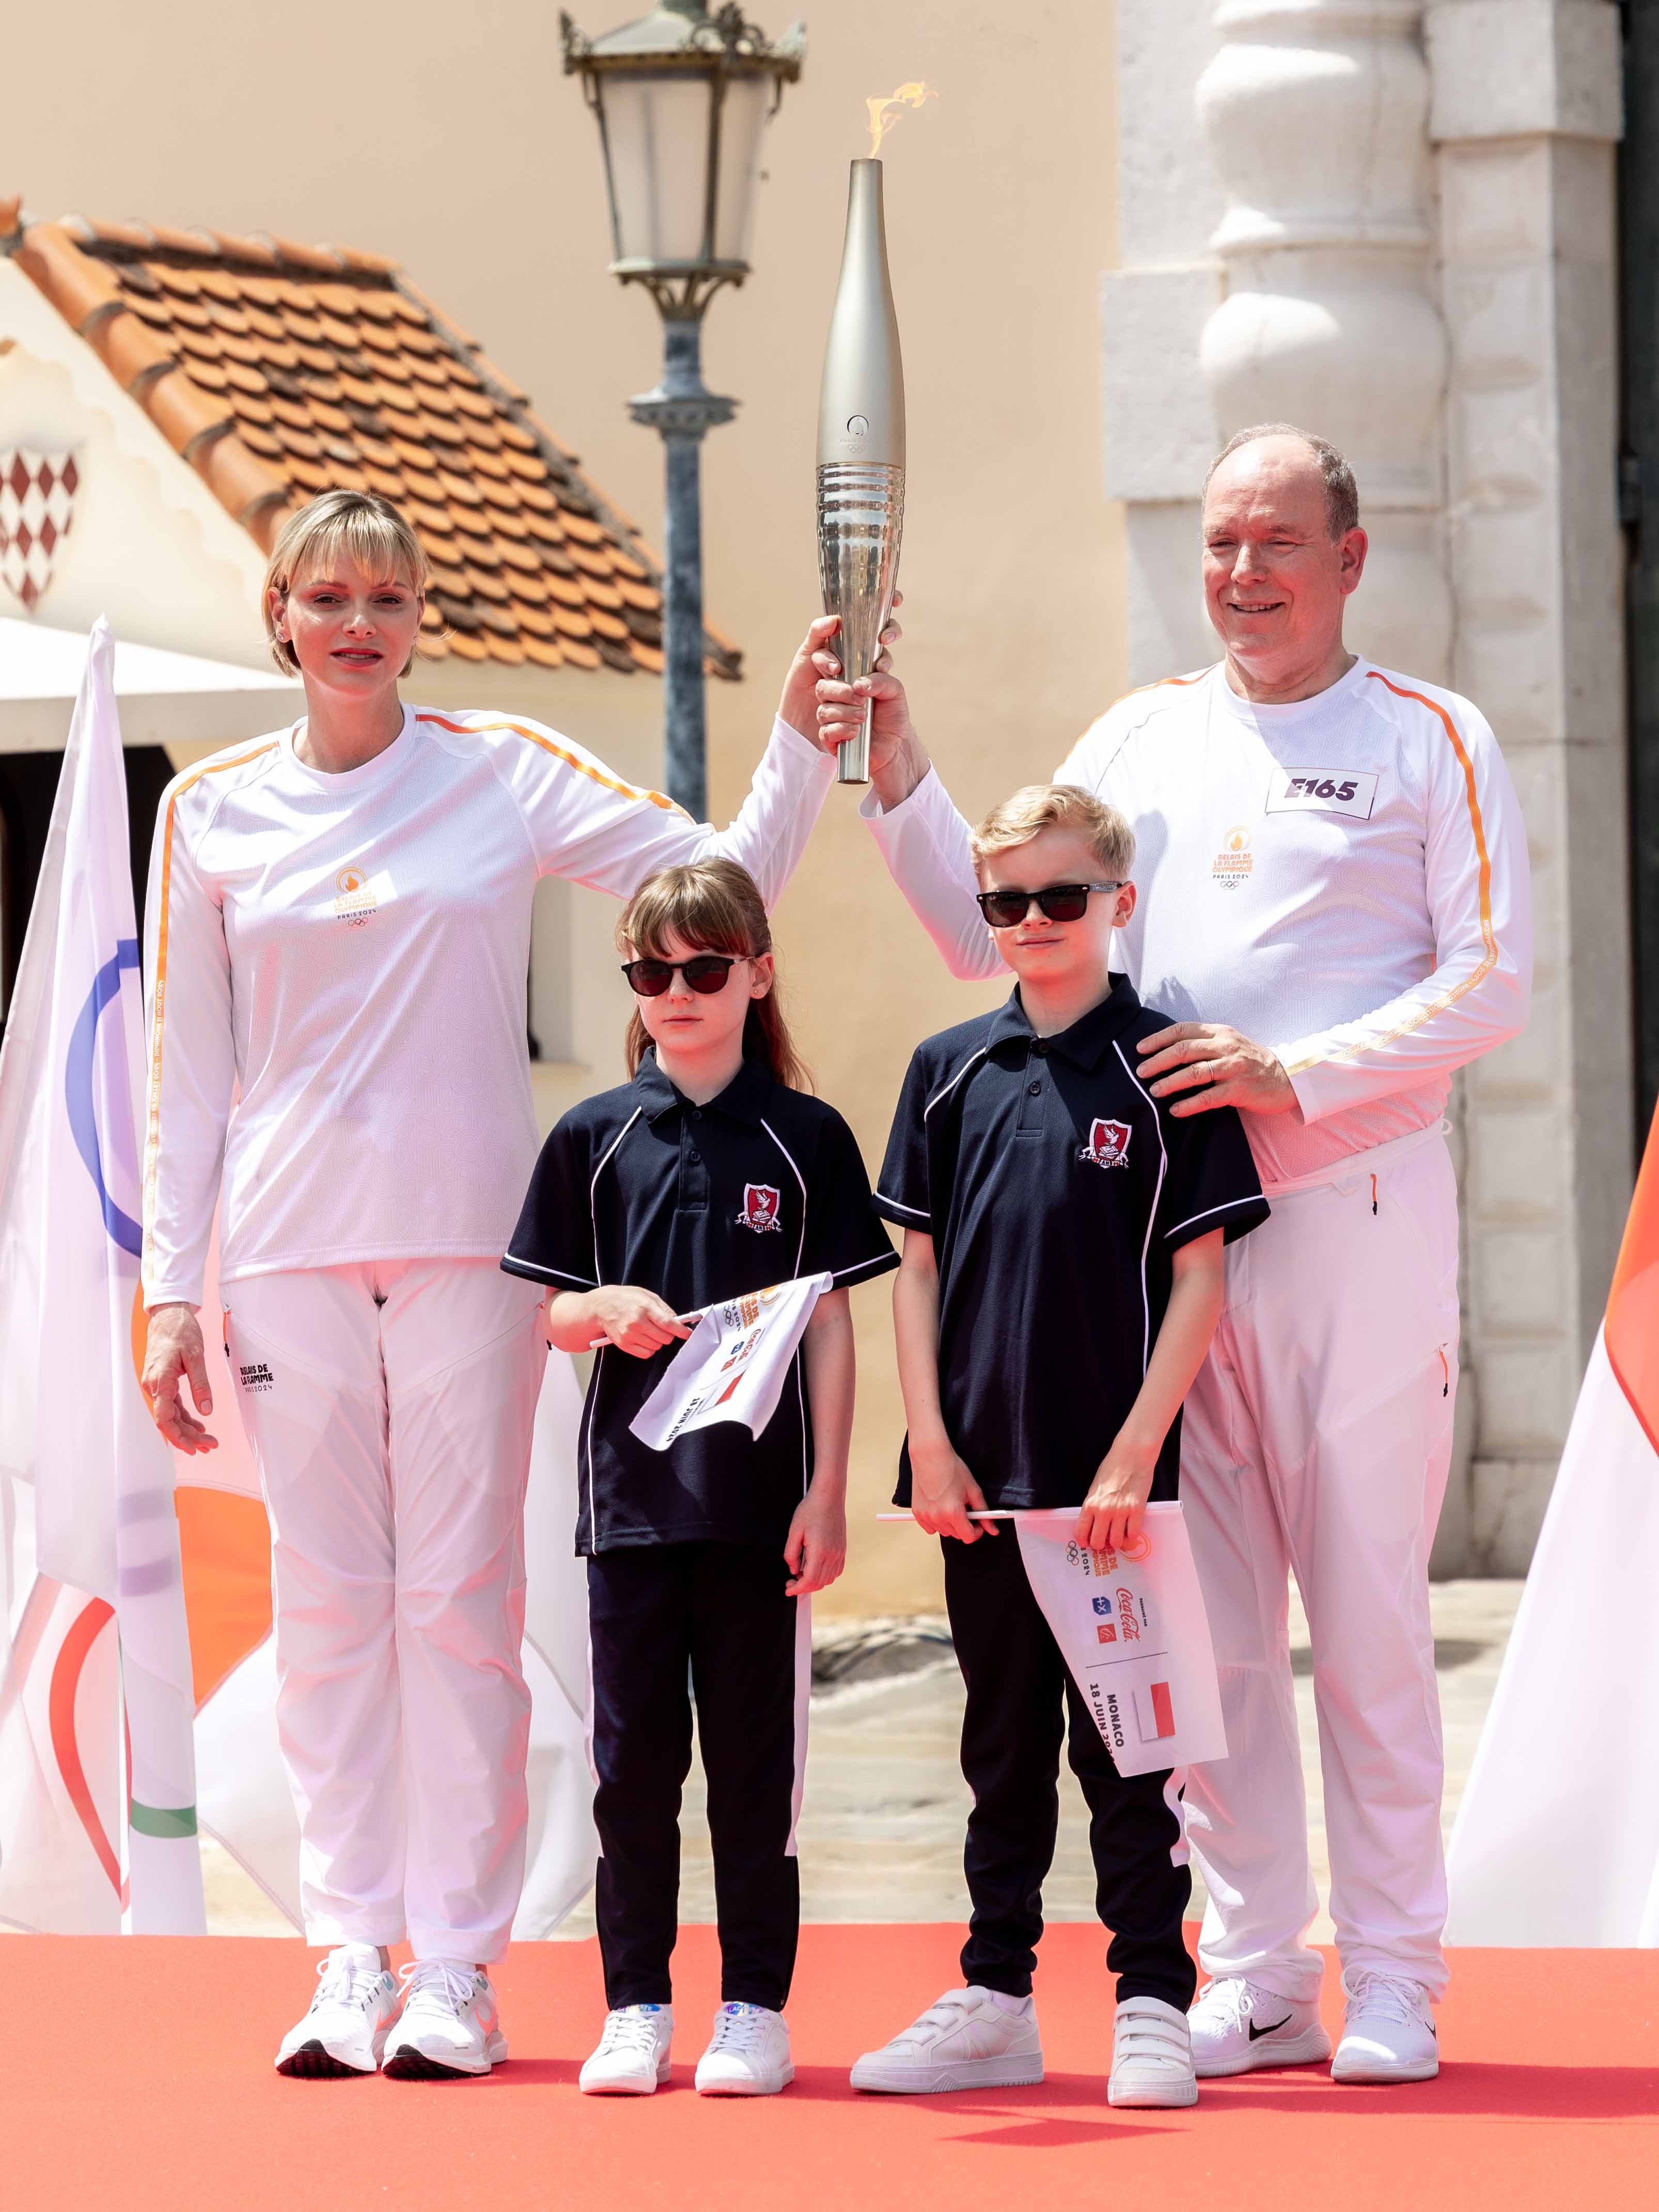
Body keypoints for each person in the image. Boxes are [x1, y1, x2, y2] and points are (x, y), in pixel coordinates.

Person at [814, 427, 1531, 2084]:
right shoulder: (1138, 733)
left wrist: (1302, 1071)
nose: (1242, 574)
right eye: (1219, 543)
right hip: (1165, 1253)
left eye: (1276, 543)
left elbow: (1491, 982)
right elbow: (998, 908)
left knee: (1359, 1616)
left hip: (1348, 1215)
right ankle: (1261, 1967)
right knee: (1205, 1634)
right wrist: (901, 762)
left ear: (1347, 559)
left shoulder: (1430, 738)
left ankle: (1400, 1974)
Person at [137, 488, 861, 2080]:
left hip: (478, 1247)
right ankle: (348, 1950)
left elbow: (716, 888)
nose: (356, 623)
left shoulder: (501, 771)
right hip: (285, 1249)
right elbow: (184, 1067)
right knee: (329, 1612)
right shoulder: (208, 809)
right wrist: (171, 1290)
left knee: (458, 1610)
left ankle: (456, 1966)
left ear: (417, 618)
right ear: (279, 614)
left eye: (386, 597)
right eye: (325, 596)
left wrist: (800, 747)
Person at [850, 785, 1267, 2109]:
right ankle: (995, 1998)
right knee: (998, 1744)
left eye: (1059, 897)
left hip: (1112, 1490)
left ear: (1115, 905)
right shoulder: (947, 1069)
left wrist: (1134, 1455)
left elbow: (1199, 1279)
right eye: (1005, 901)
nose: (1032, 921)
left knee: (1134, 1747)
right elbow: (912, 1272)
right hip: (978, 1479)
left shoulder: (1167, 1069)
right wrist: (928, 1441)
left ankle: (1152, 1993)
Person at [502, 858, 897, 2096]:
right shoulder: (590, 1134)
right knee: (632, 1773)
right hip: (625, 1516)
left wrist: (825, 1491)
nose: (676, 991)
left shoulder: (809, 1135)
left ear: (755, 974)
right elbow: (546, 1316)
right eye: (649, 971)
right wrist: (600, 1308)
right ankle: (633, 2005)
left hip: (758, 1516)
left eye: (703, 969)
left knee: (751, 1774)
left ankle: (752, 2008)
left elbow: (832, 1325)